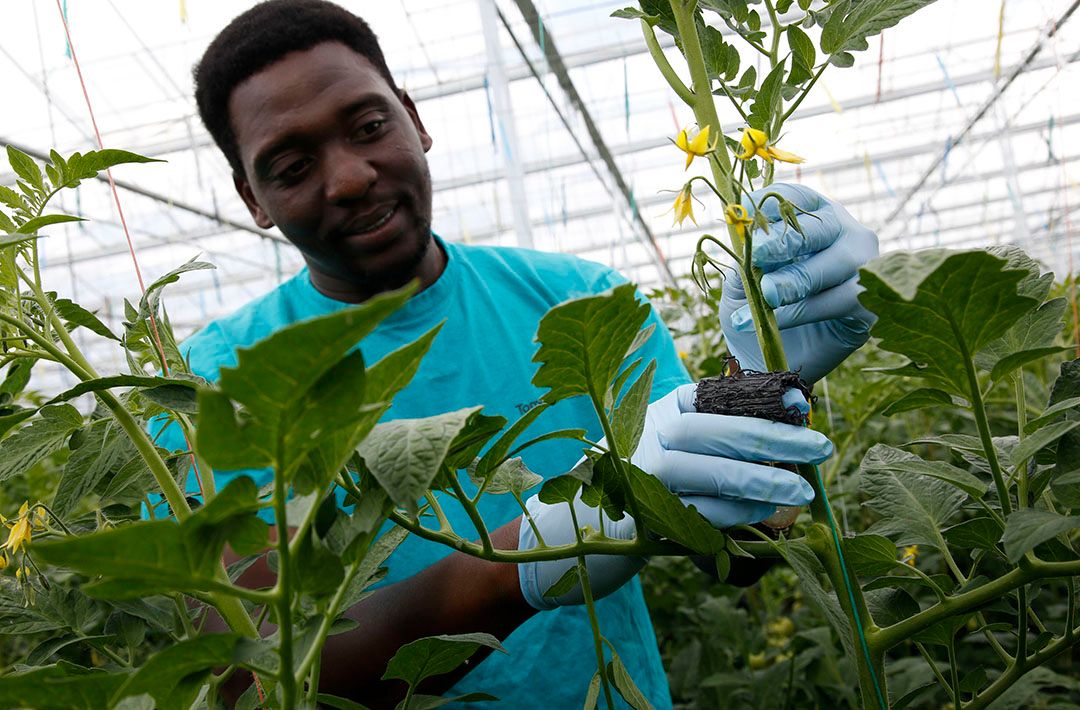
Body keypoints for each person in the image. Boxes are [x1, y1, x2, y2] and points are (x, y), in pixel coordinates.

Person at [153, 0, 879, 706]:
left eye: (370, 125)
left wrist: (763, 384)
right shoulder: (206, 390)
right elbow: (257, 678)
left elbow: (748, 551)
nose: (348, 178)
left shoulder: (582, 304)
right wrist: (525, 562)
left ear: (416, 118)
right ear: (252, 198)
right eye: (290, 166)